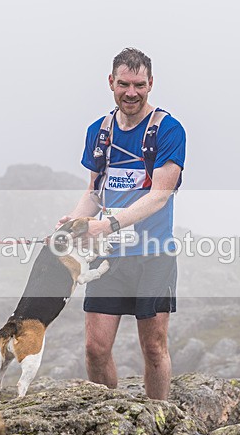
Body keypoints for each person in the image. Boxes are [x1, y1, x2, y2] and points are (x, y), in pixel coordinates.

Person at [59, 48, 186, 400]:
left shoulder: (168, 130)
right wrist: (75, 221)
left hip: (153, 256)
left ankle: (159, 417)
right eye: (125, 84)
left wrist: (108, 225)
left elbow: (160, 194)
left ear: (151, 84)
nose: (132, 92)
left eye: (140, 85)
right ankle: (109, 417)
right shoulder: (99, 132)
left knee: (154, 348)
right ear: (111, 82)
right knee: (95, 349)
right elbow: (94, 193)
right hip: (109, 259)